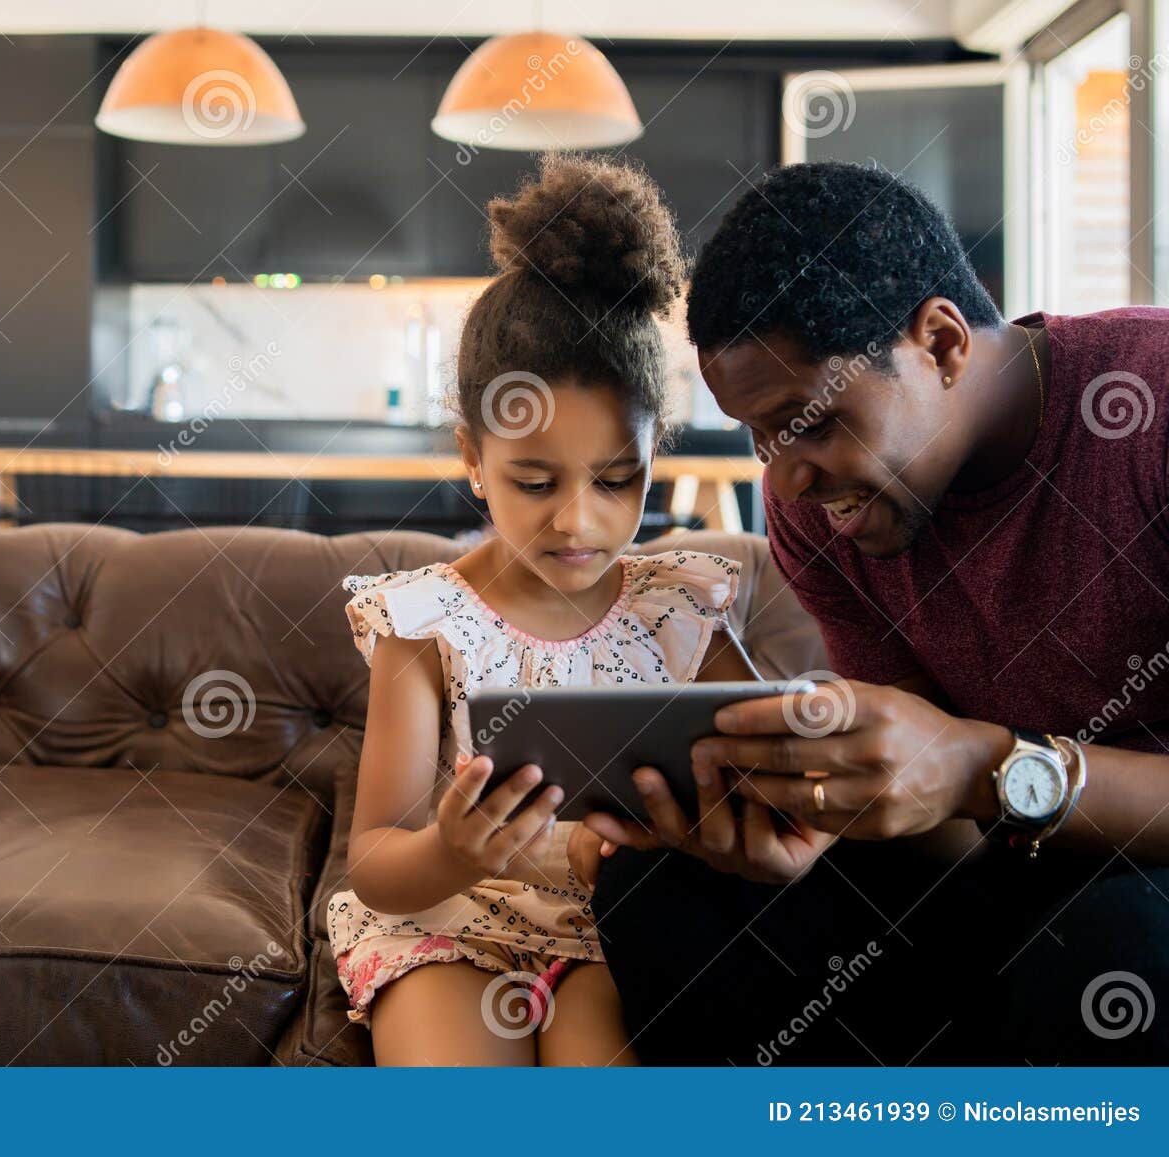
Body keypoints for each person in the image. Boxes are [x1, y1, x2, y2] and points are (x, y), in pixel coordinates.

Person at [585, 160, 1169, 1064]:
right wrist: (815, 813)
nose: (781, 478)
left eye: (808, 420)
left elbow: (968, 777)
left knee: (1108, 952)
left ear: (939, 342)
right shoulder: (823, 510)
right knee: (661, 895)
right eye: (759, 434)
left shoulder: (1151, 410)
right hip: (1012, 872)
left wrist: (990, 767)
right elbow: (945, 825)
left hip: (1137, 893)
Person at [325, 153, 763, 1066]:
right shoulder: (426, 622)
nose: (579, 519)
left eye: (616, 480)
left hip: (608, 930)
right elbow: (374, 857)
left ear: (657, 453)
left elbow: (768, 768)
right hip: (447, 923)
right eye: (533, 480)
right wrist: (452, 849)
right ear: (473, 459)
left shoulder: (680, 606)